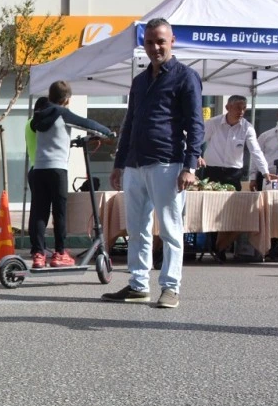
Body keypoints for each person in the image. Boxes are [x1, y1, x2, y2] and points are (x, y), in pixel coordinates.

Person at [104, 18, 204, 309]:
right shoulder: (139, 80)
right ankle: (138, 285)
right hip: (136, 164)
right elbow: (130, 122)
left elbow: (195, 125)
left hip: (167, 163)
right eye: (149, 42)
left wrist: (189, 166)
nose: (155, 47)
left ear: (172, 40)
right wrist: (120, 163)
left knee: (171, 231)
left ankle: (171, 287)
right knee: (136, 229)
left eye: (160, 41)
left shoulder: (186, 77)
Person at [28, 81, 113, 268]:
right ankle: (59, 253)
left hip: (39, 169)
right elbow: (87, 123)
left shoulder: (38, 116)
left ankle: (38, 255)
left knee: (39, 212)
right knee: (59, 211)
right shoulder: (63, 113)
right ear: (66, 99)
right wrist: (108, 133)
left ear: (50, 97)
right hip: (57, 169)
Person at [198, 95, 269, 259]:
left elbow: (256, 151)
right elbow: (198, 140)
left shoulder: (247, 127)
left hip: (233, 173)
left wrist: (264, 172)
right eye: (238, 107)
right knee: (212, 210)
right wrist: (196, 155)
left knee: (231, 212)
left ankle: (221, 247)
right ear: (228, 108)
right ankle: (212, 243)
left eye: (244, 108)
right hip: (212, 171)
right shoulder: (214, 123)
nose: (241, 111)